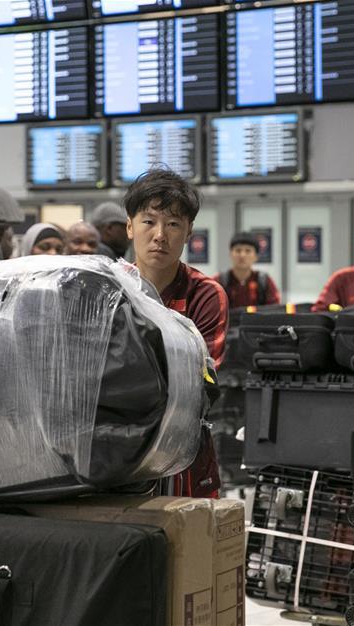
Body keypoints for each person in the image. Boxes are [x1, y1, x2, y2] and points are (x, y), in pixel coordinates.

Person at [124, 168, 228, 498]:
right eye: (149, 221)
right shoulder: (109, 289)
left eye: (173, 224)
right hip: (119, 457)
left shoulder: (206, 295)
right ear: (130, 226)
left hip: (184, 462)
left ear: (188, 233)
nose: (160, 235)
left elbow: (198, 386)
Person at [213, 232, 280, 308]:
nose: (242, 255)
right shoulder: (218, 282)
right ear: (230, 254)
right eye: (238, 250)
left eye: (248, 251)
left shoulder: (264, 281)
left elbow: (274, 310)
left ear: (256, 256)